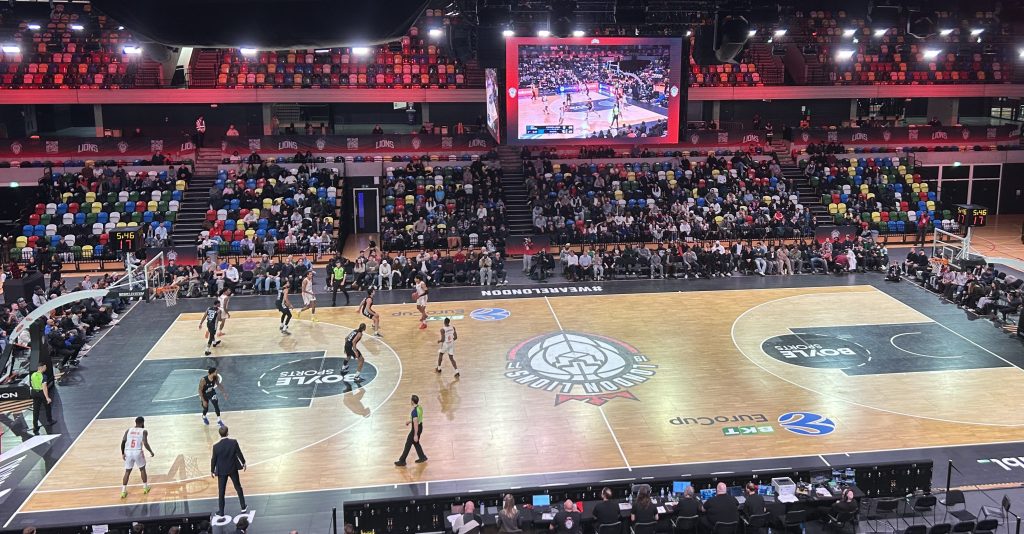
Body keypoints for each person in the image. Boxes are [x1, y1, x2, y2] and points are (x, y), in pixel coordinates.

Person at [210, 425, 247, 517]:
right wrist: (243, 462)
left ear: (219, 434)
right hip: (232, 468)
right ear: (227, 433)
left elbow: (213, 459)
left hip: (222, 471)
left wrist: (212, 470)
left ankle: (221, 512)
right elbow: (239, 453)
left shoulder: (216, 447)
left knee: (221, 492)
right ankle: (243, 507)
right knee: (238, 487)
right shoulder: (233, 442)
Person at [120, 416, 155, 498]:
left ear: (135, 422)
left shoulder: (128, 430)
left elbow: (123, 442)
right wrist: (151, 451)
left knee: (127, 471)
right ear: (142, 422)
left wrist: (123, 453)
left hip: (128, 451)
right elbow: (145, 443)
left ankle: (123, 491)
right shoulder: (144, 431)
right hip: (137, 451)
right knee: (142, 469)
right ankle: (145, 488)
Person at [394, 394, 427, 466]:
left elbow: (415, 423)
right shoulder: (419, 407)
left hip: (415, 429)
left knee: (408, 444)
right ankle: (422, 457)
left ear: (412, 401)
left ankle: (402, 461)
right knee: (415, 443)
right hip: (420, 427)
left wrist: (415, 435)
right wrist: (409, 421)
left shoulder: (414, 412)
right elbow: (417, 419)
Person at [30, 362, 54, 434]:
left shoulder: (33, 374)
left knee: (36, 410)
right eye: (45, 367)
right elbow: (44, 387)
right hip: (41, 393)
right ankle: (49, 421)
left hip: (34, 392)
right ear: (42, 367)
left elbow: (32, 383)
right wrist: (47, 398)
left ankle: (35, 426)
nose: (46, 368)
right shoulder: (43, 376)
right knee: (47, 406)